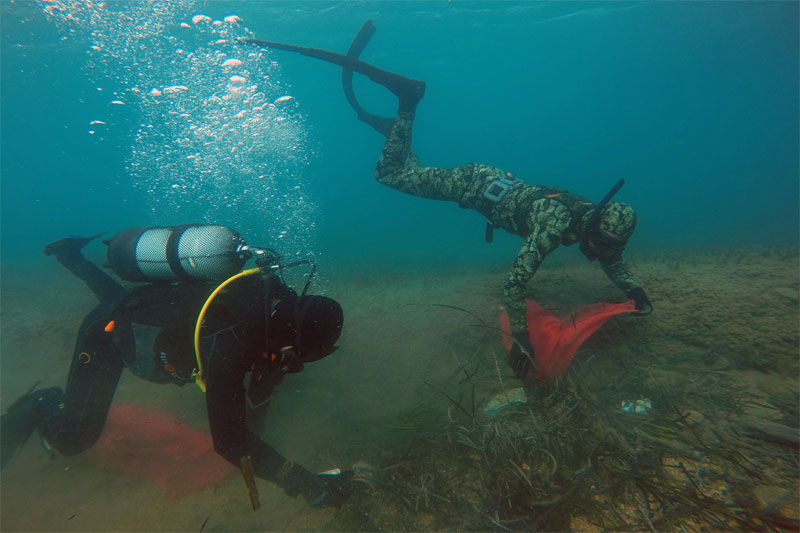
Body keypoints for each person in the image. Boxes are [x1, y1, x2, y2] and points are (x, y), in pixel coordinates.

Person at [243, 20, 653, 378]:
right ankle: (407, 101)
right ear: (596, 225)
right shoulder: (556, 226)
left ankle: (395, 132)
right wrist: (522, 345)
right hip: (473, 186)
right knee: (390, 175)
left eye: (610, 247)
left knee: (407, 172)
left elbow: (610, 258)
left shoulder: (590, 217)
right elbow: (515, 287)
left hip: (488, 181)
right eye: (602, 244)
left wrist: (635, 292)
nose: (602, 252)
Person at [0, 228, 354, 508]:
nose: (295, 367)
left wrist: (256, 422)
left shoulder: (277, 298)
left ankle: (69, 256)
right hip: (109, 336)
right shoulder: (229, 347)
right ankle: (40, 405)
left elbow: (264, 382)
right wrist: (307, 485)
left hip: (149, 304)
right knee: (75, 438)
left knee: (122, 303)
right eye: (297, 360)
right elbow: (229, 443)